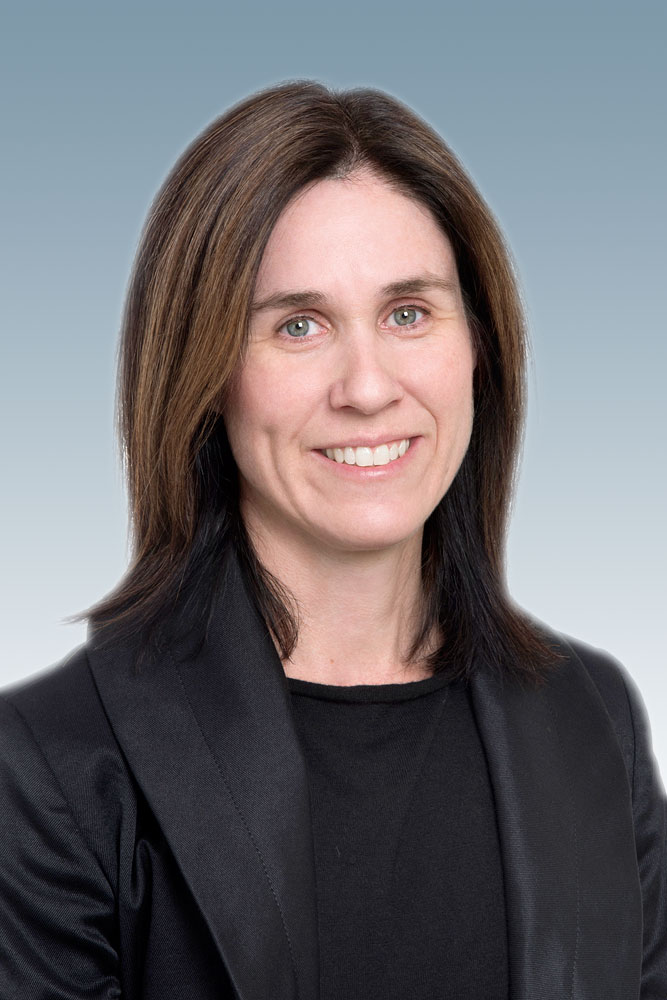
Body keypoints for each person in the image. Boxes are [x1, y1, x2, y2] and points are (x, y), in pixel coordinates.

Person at [0, 79, 665, 999]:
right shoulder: (51, 766)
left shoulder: (593, 720)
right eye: (298, 325)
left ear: (478, 346)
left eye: (407, 313)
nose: (366, 385)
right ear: (204, 374)